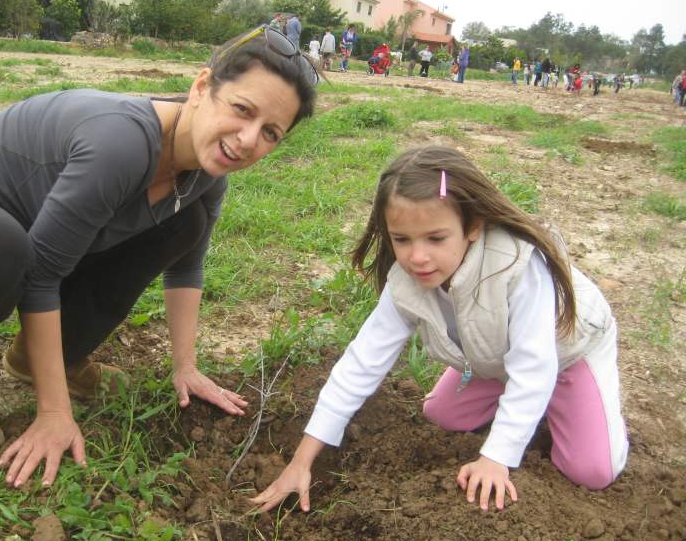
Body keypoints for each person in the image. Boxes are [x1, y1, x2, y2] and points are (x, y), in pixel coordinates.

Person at [0, 24, 318, 488]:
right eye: (241, 109)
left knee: (183, 224)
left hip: (18, 242)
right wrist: (54, 413)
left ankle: (42, 359)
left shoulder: (206, 177)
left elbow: (187, 266)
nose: (249, 138)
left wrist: (185, 366)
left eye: (270, 132)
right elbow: (41, 272)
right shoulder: (122, 141)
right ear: (200, 87)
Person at [251, 145, 628, 513]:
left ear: (473, 225)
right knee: (441, 415)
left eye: (436, 238)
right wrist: (302, 460)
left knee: (592, 471)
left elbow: (534, 367)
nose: (417, 257)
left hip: (567, 355)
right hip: (493, 360)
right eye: (401, 239)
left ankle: (560, 404)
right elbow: (360, 363)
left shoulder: (515, 265)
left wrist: (495, 459)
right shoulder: (407, 282)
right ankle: (522, 404)